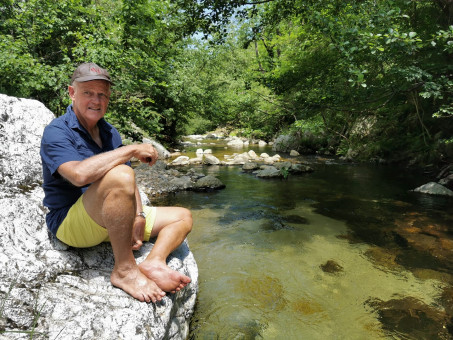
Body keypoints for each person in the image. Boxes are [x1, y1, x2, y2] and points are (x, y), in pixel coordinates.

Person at [40, 62, 193, 303]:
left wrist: (138, 216)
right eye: (88, 92)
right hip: (71, 223)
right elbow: (79, 175)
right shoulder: (56, 131)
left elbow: (129, 180)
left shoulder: (109, 132)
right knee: (119, 174)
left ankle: (154, 262)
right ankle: (124, 270)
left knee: (182, 216)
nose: (96, 100)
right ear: (72, 93)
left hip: (110, 218)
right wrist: (131, 149)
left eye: (102, 94)